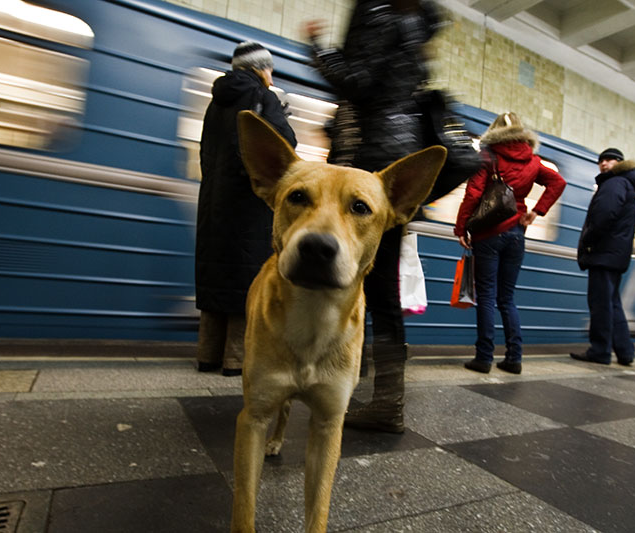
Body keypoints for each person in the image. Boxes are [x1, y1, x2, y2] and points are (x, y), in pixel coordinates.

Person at [302, 0, 441, 433]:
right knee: (376, 287)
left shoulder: (380, 12)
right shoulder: (417, 23)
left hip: (369, 158)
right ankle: (374, 389)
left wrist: (317, 48)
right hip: (395, 162)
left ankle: (378, 399)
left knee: (366, 284)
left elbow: (358, 80)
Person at [195, 41, 297, 376]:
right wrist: (282, 113)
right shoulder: (264, 98)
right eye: (269, 67)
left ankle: (207, 354)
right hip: (248, 203)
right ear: (260, 68)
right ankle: (235, 359)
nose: (271, 74)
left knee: (215, 272)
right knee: (244, 275)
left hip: (213, 199)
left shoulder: (216, 101)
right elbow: (285, 145)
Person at [454, 112, 566, 375]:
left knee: (487, 297)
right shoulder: (533, 160)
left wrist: (461, 227)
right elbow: (558, 182)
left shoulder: (488, 156)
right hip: (516, 234)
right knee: (507, 299)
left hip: (489, 235)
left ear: (494, 131)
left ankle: (484, 358)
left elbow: (473, 194)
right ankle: (514, 358)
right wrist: (536, 211)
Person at [570, 148, 635, 366]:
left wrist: (589, 241)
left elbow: (604, 215)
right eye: (601, 160)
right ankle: (625, 351)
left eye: (610, 160)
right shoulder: (625, 184)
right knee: (612, 304)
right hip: (615, 254)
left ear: (620, 163)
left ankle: (600, 350)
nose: (604, 163)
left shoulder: (614, 183)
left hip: (604, 253)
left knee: (601, 304)